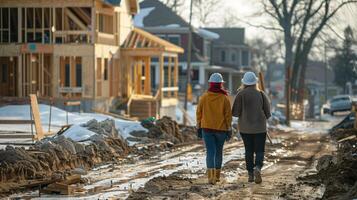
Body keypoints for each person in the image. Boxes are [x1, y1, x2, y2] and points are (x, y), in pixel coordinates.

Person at [232, 71, 271, 184]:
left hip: (245, 128)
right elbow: (268, 113)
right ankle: (257, 168)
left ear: (244, 82)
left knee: (248, 150)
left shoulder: (240, 94)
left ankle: (250, 174)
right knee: (259, 150)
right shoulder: (261, 94)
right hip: (260, 128)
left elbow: (235, 112)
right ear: (255, 82)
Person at [196, 73, 232, 185]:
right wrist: (229, 128)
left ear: (210, 84)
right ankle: (217, 177)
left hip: (206, 128)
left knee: (210, 152)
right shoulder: (225, 98)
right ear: (221, 84)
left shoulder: (204, 97)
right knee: (219, 152)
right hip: (221, 130)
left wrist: (198, 126)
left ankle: (210, 177)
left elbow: (199, 113)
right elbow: (228, 116)